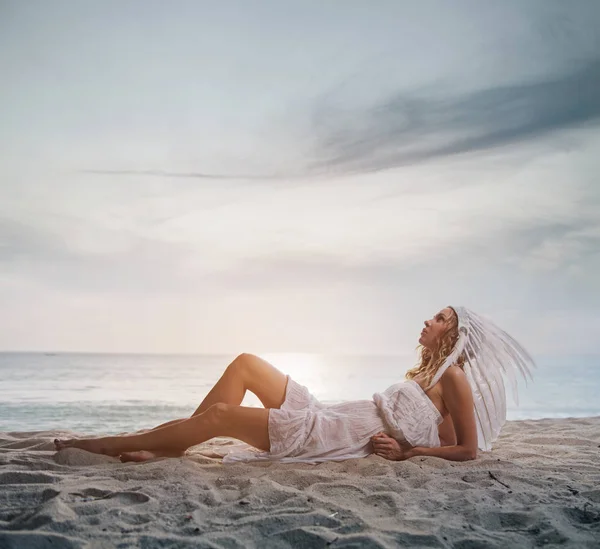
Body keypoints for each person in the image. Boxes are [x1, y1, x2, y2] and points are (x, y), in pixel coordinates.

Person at [54, 306, 534, 463]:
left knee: (222, 418)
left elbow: (465, 449)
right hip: (329, 411)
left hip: (335, 437)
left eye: (440, 318)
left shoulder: (453, 377)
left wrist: (409, 453)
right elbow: (444, 434)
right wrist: (421, 442)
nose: (428, 321)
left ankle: (111, 444)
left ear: (453, 334)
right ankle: (180, 437)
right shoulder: (427, 375)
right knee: (245, 362)